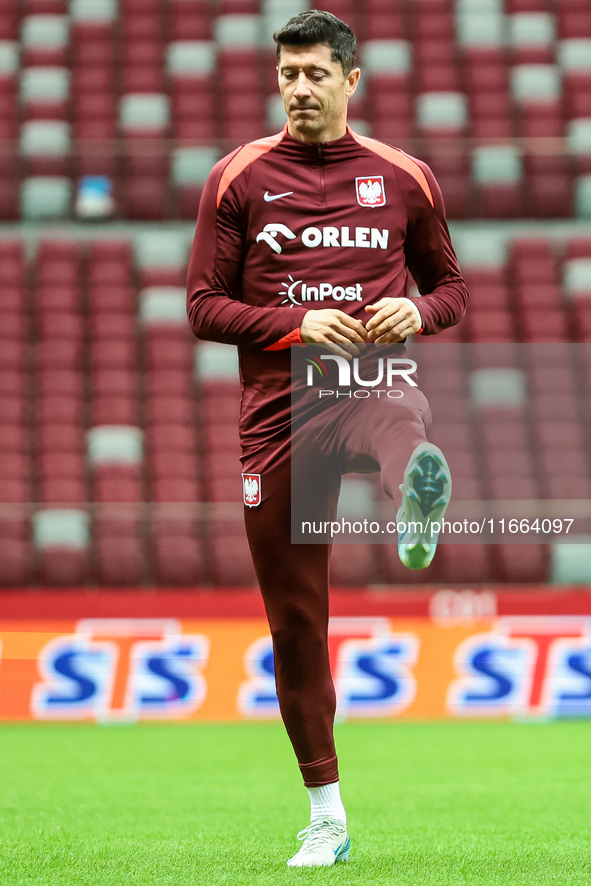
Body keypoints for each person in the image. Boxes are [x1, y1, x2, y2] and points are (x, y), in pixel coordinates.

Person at [187, 10, 468, 867]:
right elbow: (202, 307)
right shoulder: (236, 177)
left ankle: (414, 490)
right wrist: (294, 322)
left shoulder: (404, 177)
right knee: (298, 622)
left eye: (316, 74)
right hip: (278, 412)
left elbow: (452, 288)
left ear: (352, 80)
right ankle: (327, 816)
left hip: (366, 381)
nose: (300, 88)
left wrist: (413, 311)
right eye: (288, 75)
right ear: (277, 81)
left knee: (397, 419)